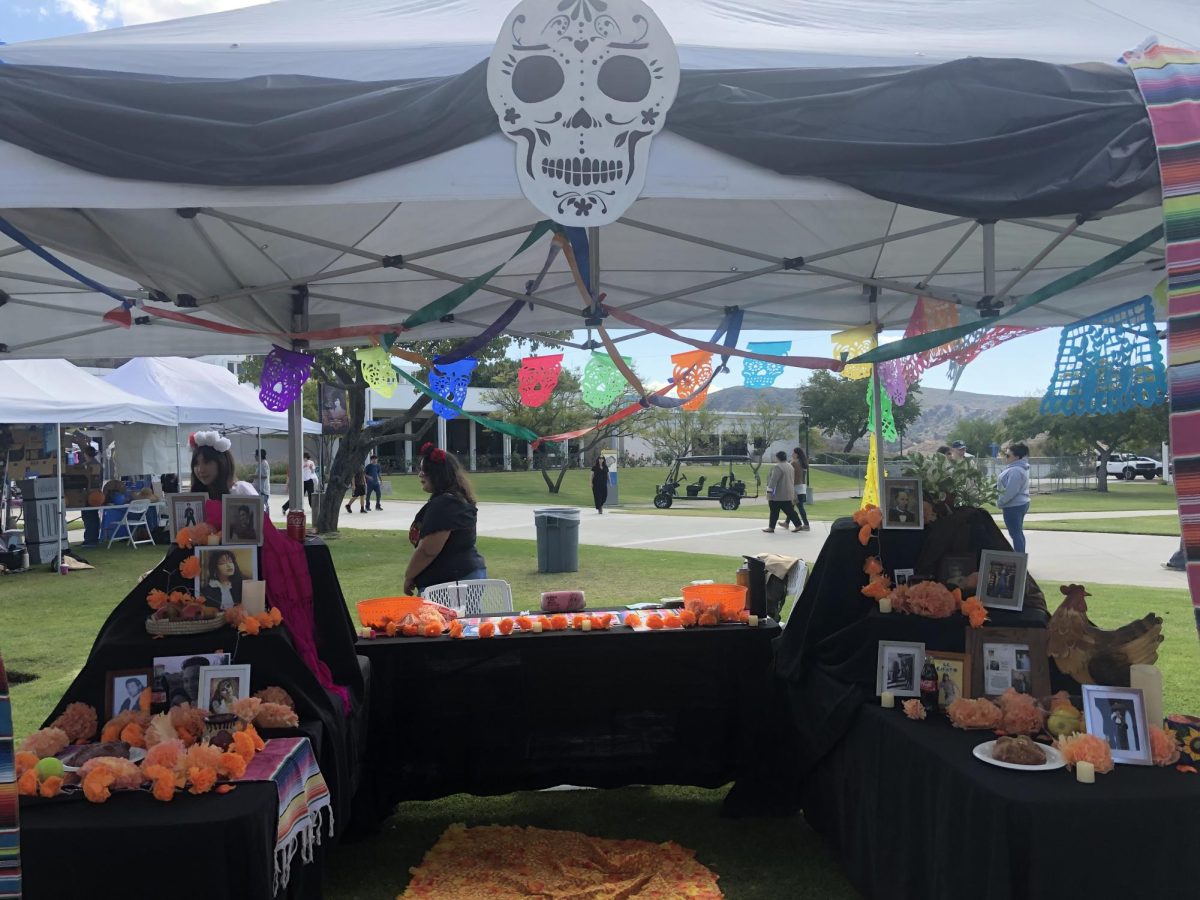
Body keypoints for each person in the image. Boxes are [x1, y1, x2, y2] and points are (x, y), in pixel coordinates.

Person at [404, 443, 486, 594]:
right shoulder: (454, 499)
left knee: (448, 619)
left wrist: (409, 576)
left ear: (439, 473)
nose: (420, 474)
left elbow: (428, 550)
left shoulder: (444, 504)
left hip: (452, 582)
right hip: (462, 577)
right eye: (420, 469)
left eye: (426, 470)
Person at [190, 430, 259, 501]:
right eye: (196, 463)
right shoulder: (197, 496)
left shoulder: (241, 492)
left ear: (222, 463)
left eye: (207, 462)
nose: (200, 470)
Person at [997, 442, 1031, 553]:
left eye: (1008, 455)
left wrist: (1000, 502)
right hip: (1019, 504)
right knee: (1018, 533)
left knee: (1016, 534)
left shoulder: (1015, 470)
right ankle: (1021, 559)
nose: (1005, 458)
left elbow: (1011, 491)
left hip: (1013, 506)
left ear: (1017, 457)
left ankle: (1020, 560)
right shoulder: (1018, 468)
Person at [763, 450, 803, 533]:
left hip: (778, 494)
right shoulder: (790, 466)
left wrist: (769, 492)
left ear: (778, 458)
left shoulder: (778, 467)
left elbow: (773, 481)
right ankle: (798, 525)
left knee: (774, 511)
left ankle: (771, 527)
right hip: (788, 493)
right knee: (790, 510)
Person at [790, 447, 811, 531]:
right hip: (802, 486)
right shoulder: (804, 463)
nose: (792, 454)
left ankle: (806, 524)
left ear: (797, 454)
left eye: (793, 453)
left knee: (798, 507)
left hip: (795, 487)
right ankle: (787, 523)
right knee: (791, 506)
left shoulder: (794, 463)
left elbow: (792, 476)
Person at [255, 449, 271, 514]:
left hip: (263, 490)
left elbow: (265, 475)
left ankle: (266, 521)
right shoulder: (261, 463)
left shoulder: (264, 463)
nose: (255, 457)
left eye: (256, 455)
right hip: (260, 490)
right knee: (263, 507)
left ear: (259, 456)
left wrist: (253, 476)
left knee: (264, 508)